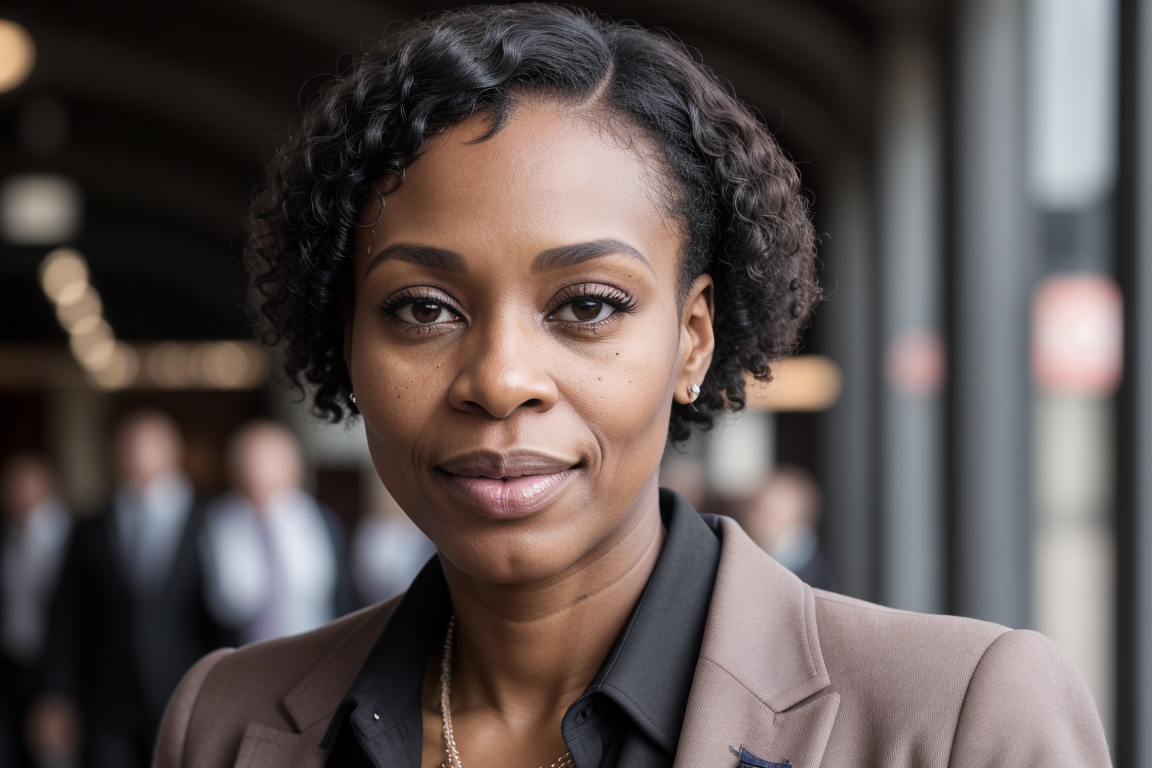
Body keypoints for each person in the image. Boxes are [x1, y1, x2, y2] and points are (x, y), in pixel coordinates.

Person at [153, 6, 1109, 768]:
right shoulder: (222, 725)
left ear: (693, 339)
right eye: (422, 309)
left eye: (588, 304)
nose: (500, 380)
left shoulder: (960, 721)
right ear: (345, 341)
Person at [35, 410, 234, 768]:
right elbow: (66, 615)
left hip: (187, 690)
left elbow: (227, 613)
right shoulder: (89, 526)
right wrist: (56, 693)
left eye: (149, 444)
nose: (138, 454)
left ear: (173, 450)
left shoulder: (215, 519)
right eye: (128, 446)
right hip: (106, 697)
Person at [200, 421, 356, 644]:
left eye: (267, 461)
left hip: (315, 649)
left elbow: (342, 597)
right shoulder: (214, 520)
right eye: (247, 462)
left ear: (294, 465)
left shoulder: (321, 519)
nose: (256, 472)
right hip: (240, 656)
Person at [0, 454, 71, 768]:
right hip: (13, 661)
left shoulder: (70, 535)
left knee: (53, 755)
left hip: (54, 664)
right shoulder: (8, 535)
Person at [736, 465, 838, 593]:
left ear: (797, 520)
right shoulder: (740, 555)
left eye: (769, 515)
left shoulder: (816, 581)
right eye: (753, 511)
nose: (756, 522)